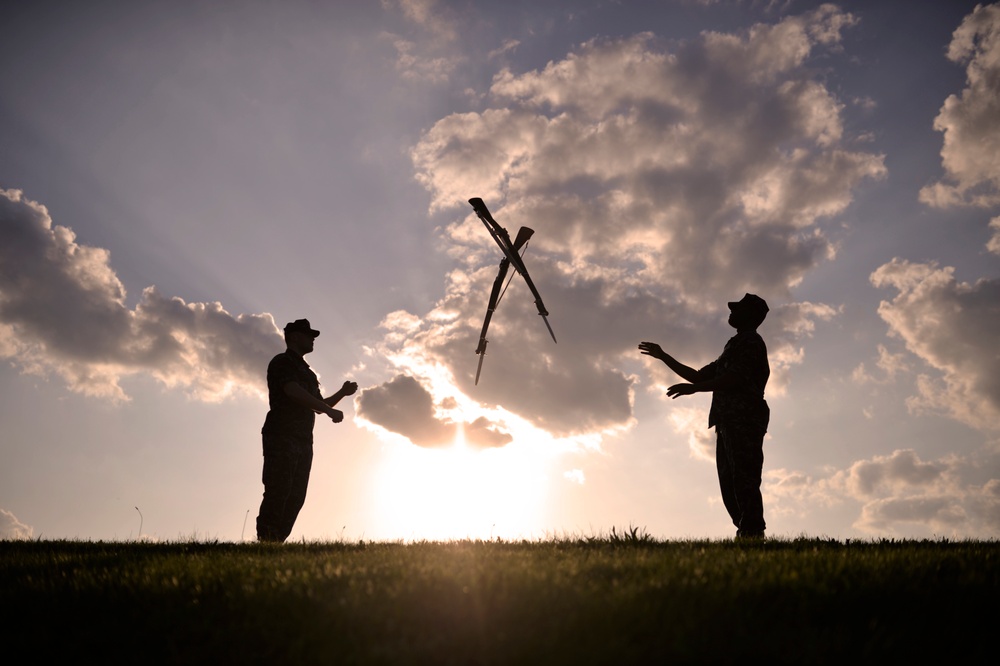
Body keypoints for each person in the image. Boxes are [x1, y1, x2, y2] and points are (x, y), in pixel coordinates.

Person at [639, 293, 770, 539]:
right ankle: (746, 533)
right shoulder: (733, 346)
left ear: (751, 315)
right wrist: (664, 356)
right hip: (728, 421)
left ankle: (753, 532)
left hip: (745, 420)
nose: (731, 311)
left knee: (745, 478)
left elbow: (734, 379)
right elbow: (699, 376)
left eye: (737, 309)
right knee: (729, 482)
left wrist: (695, 389)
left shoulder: (751, 342)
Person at [256, 318, 358, 542]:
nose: (313, 338)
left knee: (296, 496)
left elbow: (319, 405)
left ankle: (276, 542)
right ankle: (265, 542)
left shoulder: (308, 372)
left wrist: (342, 393)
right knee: (278, 489)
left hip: (303, 440)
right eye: (308, 334)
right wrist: (328, 411)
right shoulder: (282, 362)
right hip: (281, 435)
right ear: (293, 336)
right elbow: (293, 391)